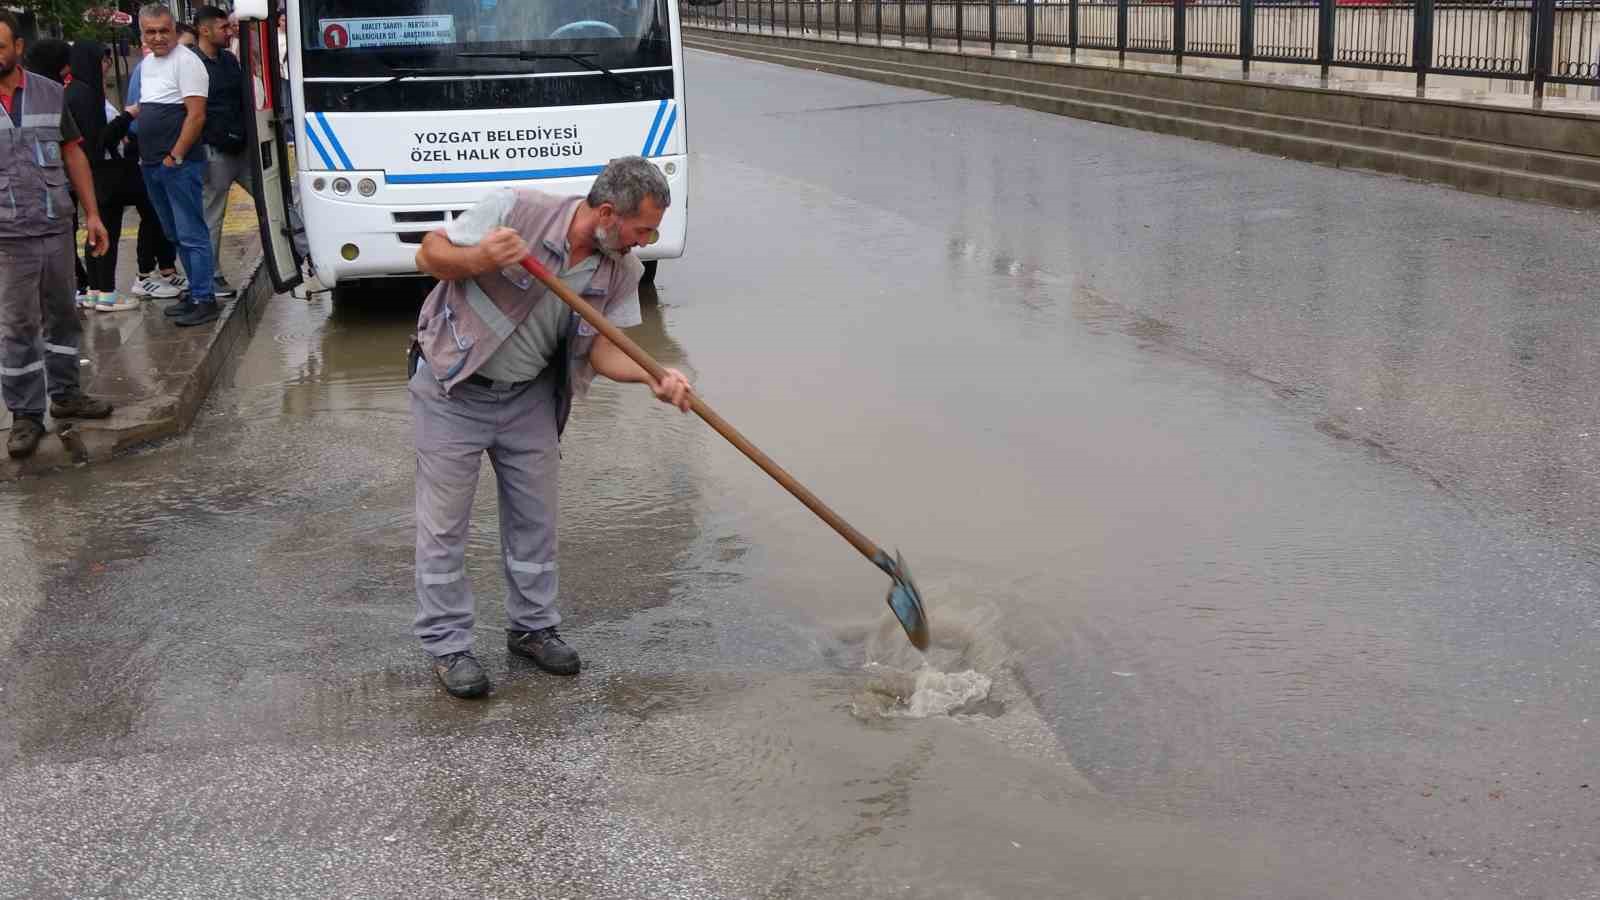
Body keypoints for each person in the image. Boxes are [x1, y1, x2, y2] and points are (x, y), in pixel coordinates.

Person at [410, 156, 692, 699]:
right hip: (453, 390)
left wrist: (655, 377)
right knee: (444, 528)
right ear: (608, 213)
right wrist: (479, 255)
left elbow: (606, 350)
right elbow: (429, 254)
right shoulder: (515, 209)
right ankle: (449, 647)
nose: (646, 241)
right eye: (642, 229)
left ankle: (532, 628)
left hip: (529, 400)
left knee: (535, 523)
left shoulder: (621, 270)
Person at [0, 10, 114, 459]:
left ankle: (66, 394)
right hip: (7, 237)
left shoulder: (50, 93)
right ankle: (25, 415)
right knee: (17, 326)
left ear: (18, 48)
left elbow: (73, 154)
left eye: (0, 46)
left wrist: (93, 214)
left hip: (53, 226)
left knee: (63, 315)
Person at [129, 3, 218, 328]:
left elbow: (196, 116)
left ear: (173, 28)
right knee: (173, 233)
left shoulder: (188, 62)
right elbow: (148, 108)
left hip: (178, 164)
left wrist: (174, 156)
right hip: (151, 164)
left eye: (163, 30)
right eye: (150, 32)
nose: (157, 37)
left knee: (192, 232)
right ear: (142, 34)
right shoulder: (148, 64)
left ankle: (204, 298)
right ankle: (194, 292)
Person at [65, 40, 139, 312]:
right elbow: (99, 140)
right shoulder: (86, 95)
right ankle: (106, 291)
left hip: (95, 173)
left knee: (95, 233)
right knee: (106, 231)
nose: (107, 66)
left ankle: (96, 289)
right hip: (101, 174)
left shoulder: (76, 91)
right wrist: (128, 118)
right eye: (103, 60)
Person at [121, 44, 187, 302]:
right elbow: (137, 113)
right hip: (147, 151)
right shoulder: (145, 69)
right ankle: (144, 274)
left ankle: (167, 269)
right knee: (151, 214)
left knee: (162, 216)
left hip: (162, 150)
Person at [193, 5, 250, 300]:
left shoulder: (228, 59)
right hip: (214, 151)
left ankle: (302, 252)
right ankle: (210, 277)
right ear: (204, 30)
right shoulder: (191, 64)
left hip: (242, 147)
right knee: (212, 216)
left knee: (276, 201)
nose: (229, 32)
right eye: (223, 28)